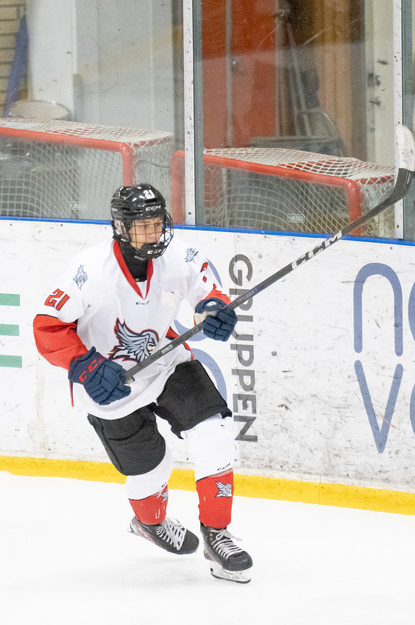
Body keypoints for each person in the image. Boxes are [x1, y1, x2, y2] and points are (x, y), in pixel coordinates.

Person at [32, 183, 253, 583]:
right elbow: (47, 328)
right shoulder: (90, 269)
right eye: (142, 226)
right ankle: (150, 523)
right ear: (120, 227)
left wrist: (214, 310)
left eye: (157, 224)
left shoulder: (179, 256)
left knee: (214, 432)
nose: (153, 234)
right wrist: (83, 365)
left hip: (163, 362)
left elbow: (209, 292)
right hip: (107, 383)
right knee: (153, 468)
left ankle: (217, 535)